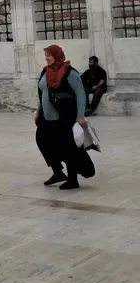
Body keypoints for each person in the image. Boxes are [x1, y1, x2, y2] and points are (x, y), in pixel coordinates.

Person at [36, 45, 95, 191]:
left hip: (65, 117)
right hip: (46, 116)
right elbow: (43, 93)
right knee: (42, 140)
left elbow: (80, 95)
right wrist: (38, 111)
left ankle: (72, 179)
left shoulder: (69, 72)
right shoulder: (45, 71)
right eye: (46, 55)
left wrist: (80, 116)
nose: (46, 58)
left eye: (49, 55)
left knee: (67, 147)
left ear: (57, 56)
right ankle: (58, 172)